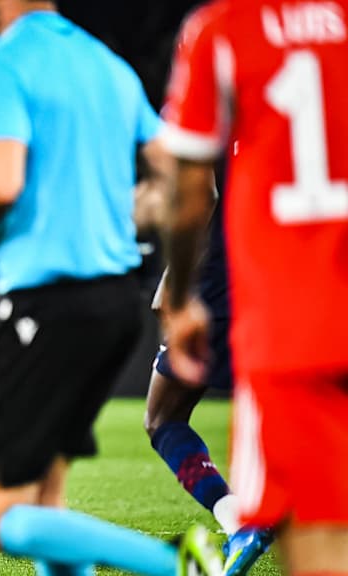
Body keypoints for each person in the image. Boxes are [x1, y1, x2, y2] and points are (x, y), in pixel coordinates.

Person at [0, 1, 222, 574]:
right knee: (46, 504)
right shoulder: (107, 65)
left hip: (48, 307)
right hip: (115, 308)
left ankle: (175, 565)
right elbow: (193, 185)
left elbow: (0, 183)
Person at [160, 1, 348, 574]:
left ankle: (240, 519)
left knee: (163, 418)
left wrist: (179, 293)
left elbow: (193, 191)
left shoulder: (223, 31)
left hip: (288, 316)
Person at [145, 174, 272, 576]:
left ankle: (238, 521)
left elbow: (202, 191)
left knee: (163, 416)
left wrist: (174, 281)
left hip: (217, 281)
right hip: (284, 274)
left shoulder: (208, 111)